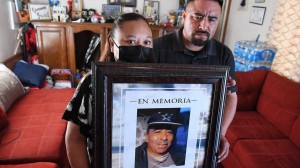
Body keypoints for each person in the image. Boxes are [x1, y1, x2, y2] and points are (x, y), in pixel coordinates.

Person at [62, 13, 155, 168]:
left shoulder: (163, 82)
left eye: (147, 42)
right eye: (131, 41)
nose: (140, 48)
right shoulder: (92, 82)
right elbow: (74, 138)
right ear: (112, 45)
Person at [153, 0, 237, 163]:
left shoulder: (224, 55)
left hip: (202, 134)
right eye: (197, 17)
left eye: (212, 19)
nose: (204, 25)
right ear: (184, 16)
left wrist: (220, 133)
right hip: (162, 126)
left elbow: (231, 97)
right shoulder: (157, 48)